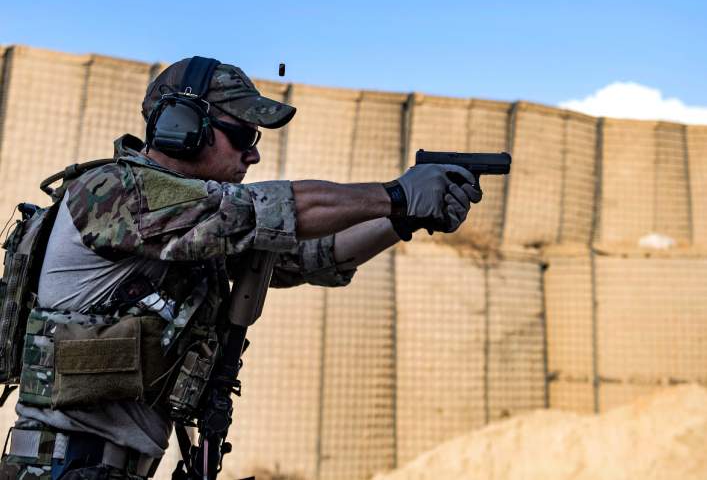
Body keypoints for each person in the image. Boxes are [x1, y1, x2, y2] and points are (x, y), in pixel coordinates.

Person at [0, 57, 481, 480]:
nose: (253, 153)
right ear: (182, 127)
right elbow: (268, 209)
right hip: (60, 466)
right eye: (243, 136)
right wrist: (393, 194)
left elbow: (312, 255)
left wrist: (403, 220)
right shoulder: (115, 192)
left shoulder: (191, 225)